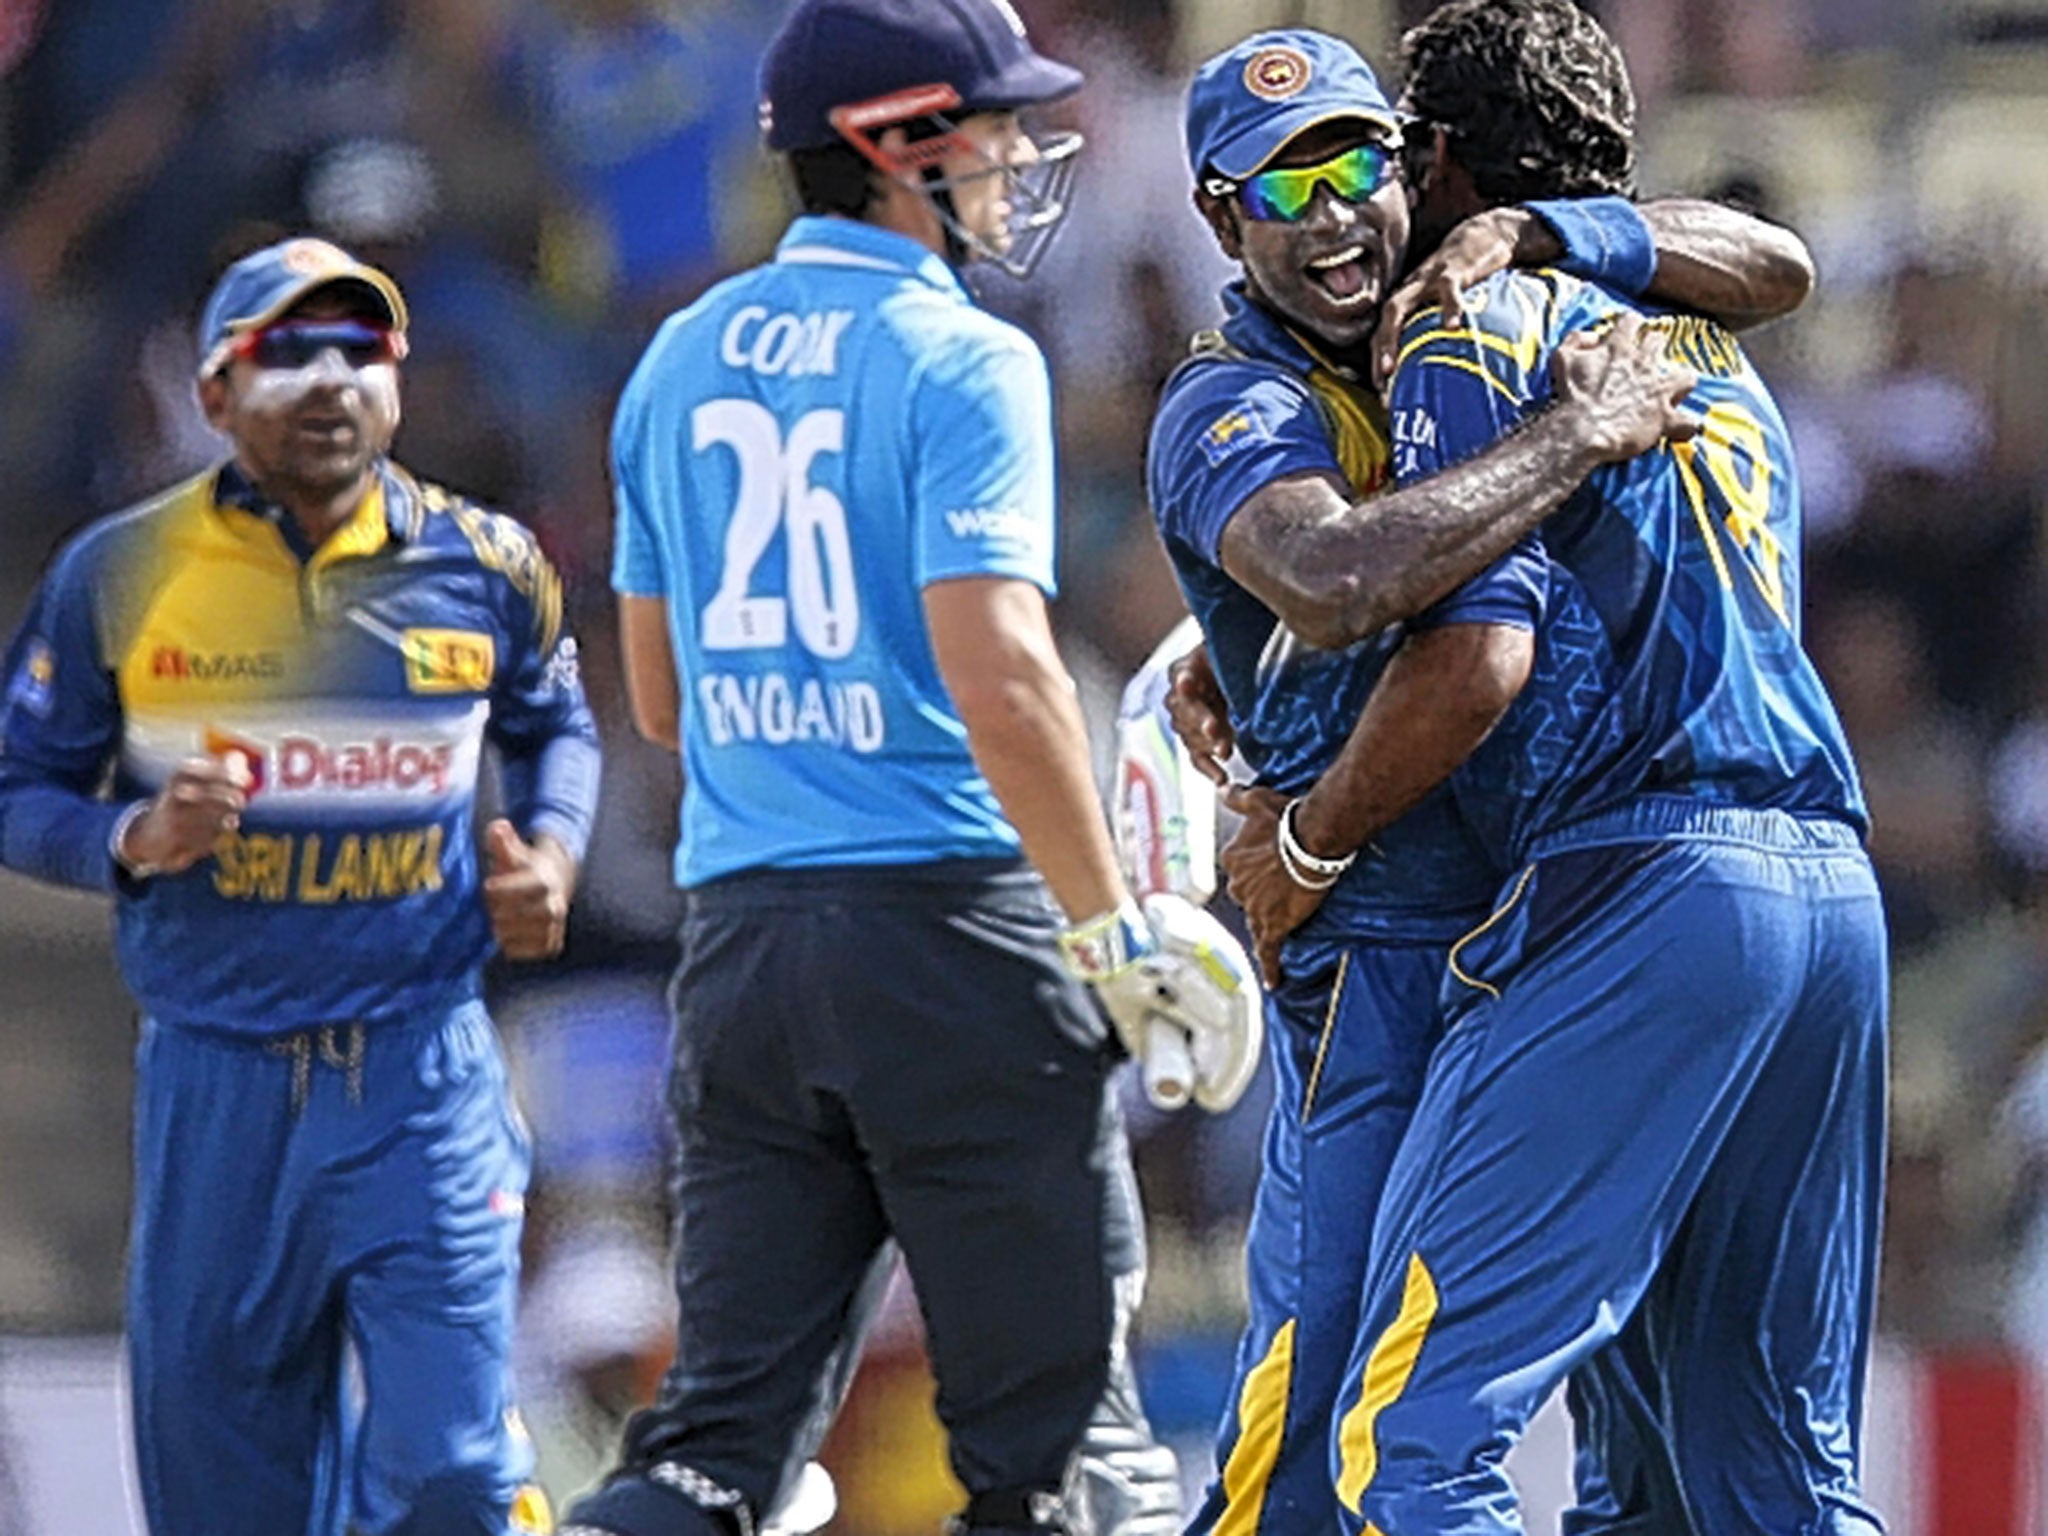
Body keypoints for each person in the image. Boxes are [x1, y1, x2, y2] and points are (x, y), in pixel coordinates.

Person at [558, 3, 1261, 1535]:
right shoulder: (962, 355)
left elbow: (666, 703)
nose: (1019, 154)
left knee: (706, 1458)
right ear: (895, 151)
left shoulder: (677, 361)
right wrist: (1109, 926)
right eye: (993, 124)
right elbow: (1005, 677)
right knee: (1071, 1467)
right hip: (952, 935)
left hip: (741, 951)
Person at [1209, 4, 1885, 1531]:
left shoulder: (1467, 316)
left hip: (1636, 891)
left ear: (1433, 160)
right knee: (1748, 1478)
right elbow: (1781, 266)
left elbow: (1476, 657)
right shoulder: (1707, 338)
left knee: (1407, 1447)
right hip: (1828, 898)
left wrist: (1305, 845)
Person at [0, 236, 600, 1535]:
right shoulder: (122, 572)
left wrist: (549, 847)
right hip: (221, 1082)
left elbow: (558, 729)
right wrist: (129, 839)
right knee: (224, 1497)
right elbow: (17, 786)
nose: (329, 382)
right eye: (285, 353)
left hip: (418, 1070)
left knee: (451, 1474)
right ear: (215, 396)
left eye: (359, 350)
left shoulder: (486, 564)